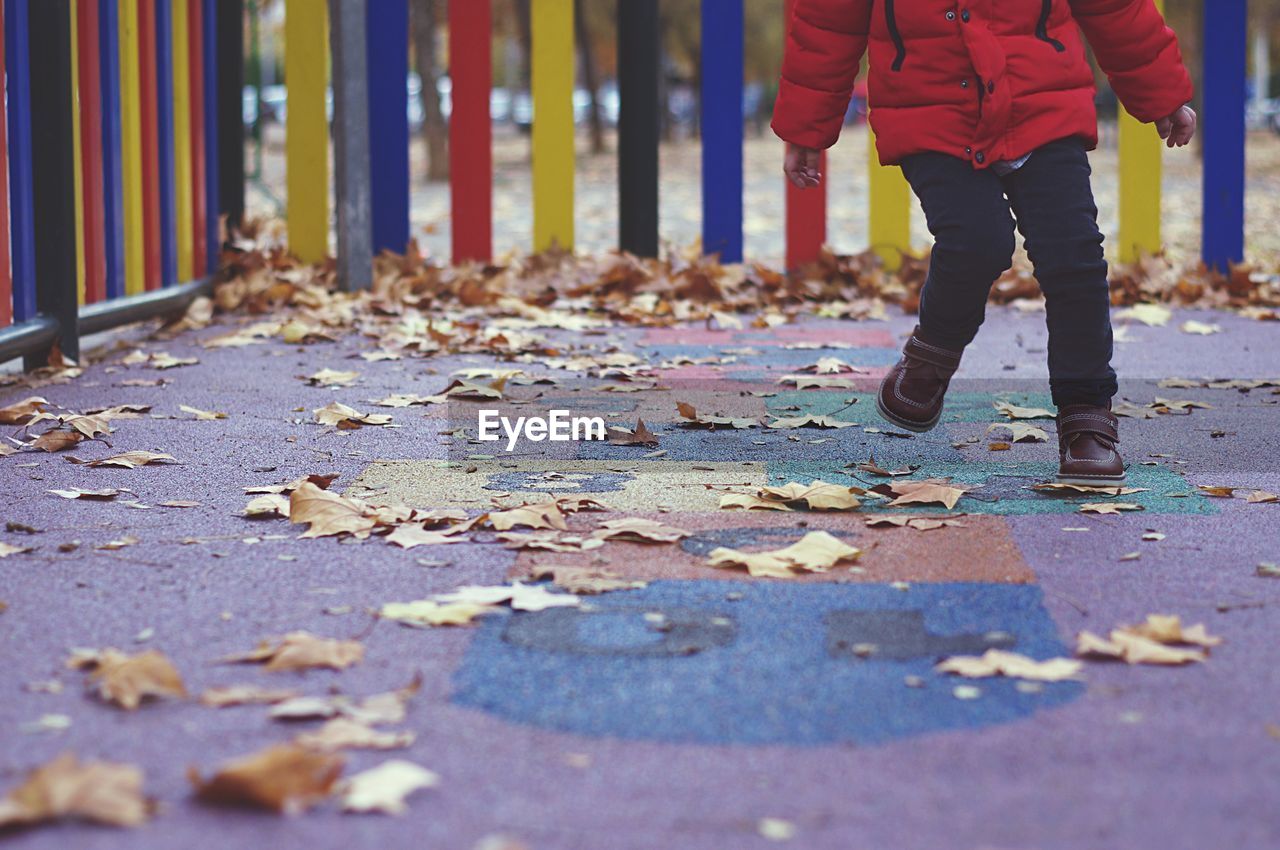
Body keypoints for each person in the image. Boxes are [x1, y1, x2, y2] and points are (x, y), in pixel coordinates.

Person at [773, 0, 1196, 484]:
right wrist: (806, 127)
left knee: (1073, 255)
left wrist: (1160, 94)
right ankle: (931, 355)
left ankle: (1086, 417)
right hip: (930, 109)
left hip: (1041, 99)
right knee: (977, 239)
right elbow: (828, 22)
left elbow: (1116, 9)